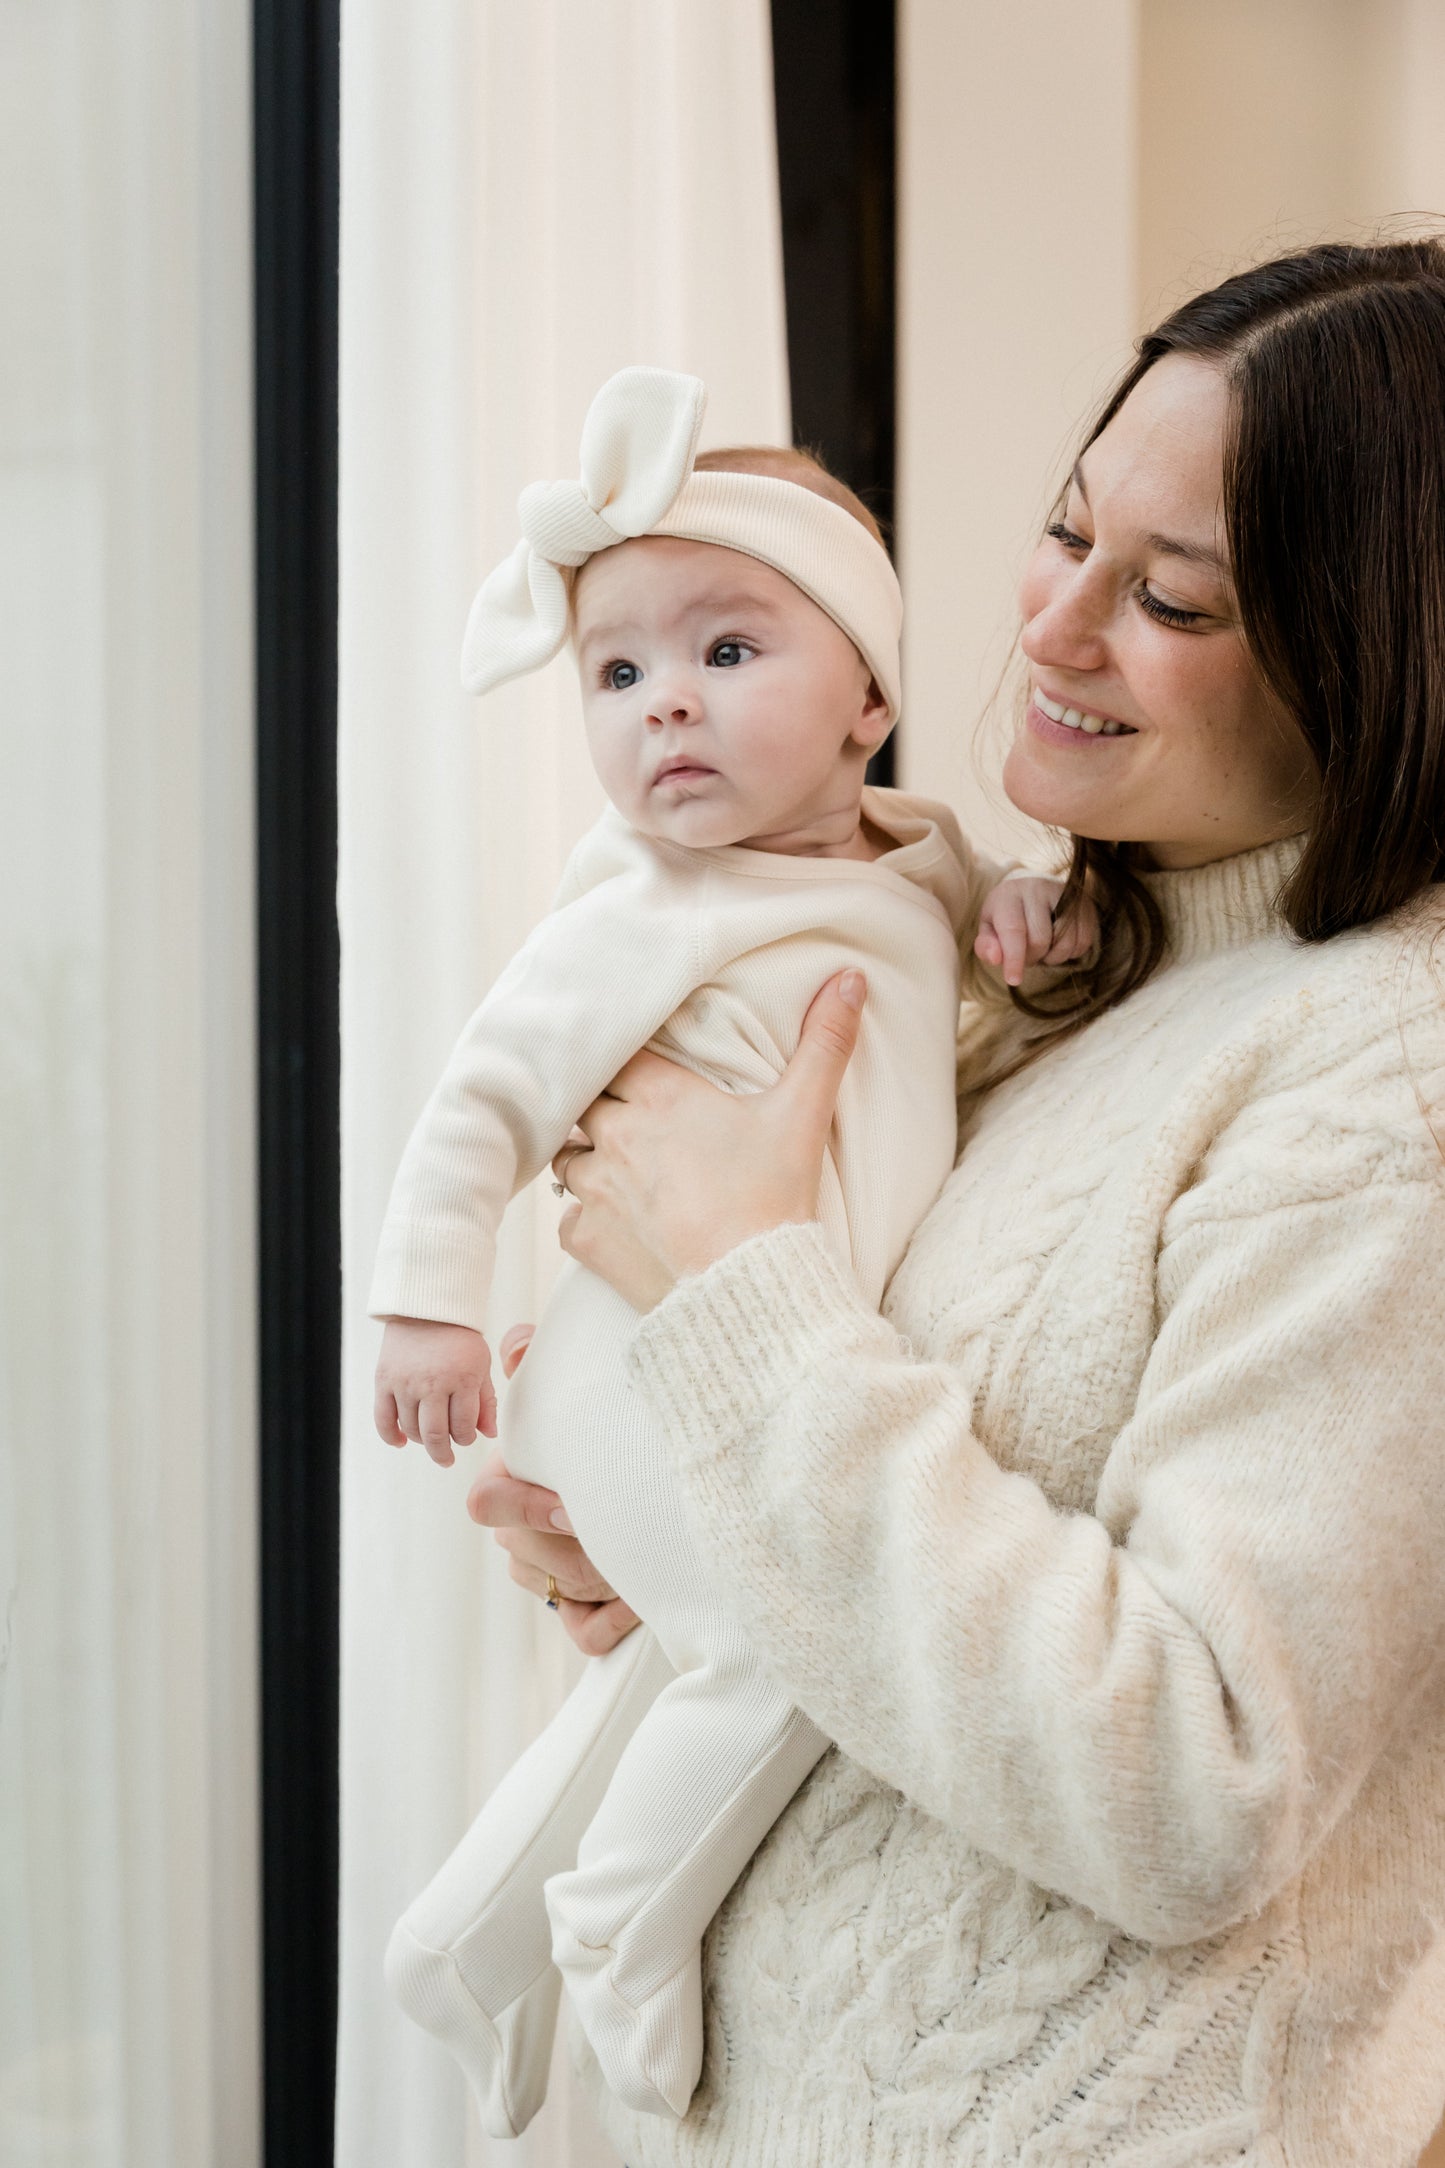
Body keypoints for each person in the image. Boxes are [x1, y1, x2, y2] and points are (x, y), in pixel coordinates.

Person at [476, 241, 1445, 2167]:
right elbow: (899, 1537)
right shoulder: (1049, 969)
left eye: (1168, 597)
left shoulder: (1384, 1088)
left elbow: (1199, 1787)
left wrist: (746, 1313)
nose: (1057, 627)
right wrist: (652, 1514)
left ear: (1384, 646)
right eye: (1066, 532)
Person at [370, 366, 1093, 2137]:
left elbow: (961, 1005)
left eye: (723, 654)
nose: (661, 713)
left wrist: (1008, 917)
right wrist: (422, 1305)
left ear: (868, 707)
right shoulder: (640, 905)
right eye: (614, 674)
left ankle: (463, 1933)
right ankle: (618, 1925)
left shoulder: (906, 864)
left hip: (756, 1352)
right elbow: (481, 1099)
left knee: (706, 1658)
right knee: (788, 1632)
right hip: (642, 1360)